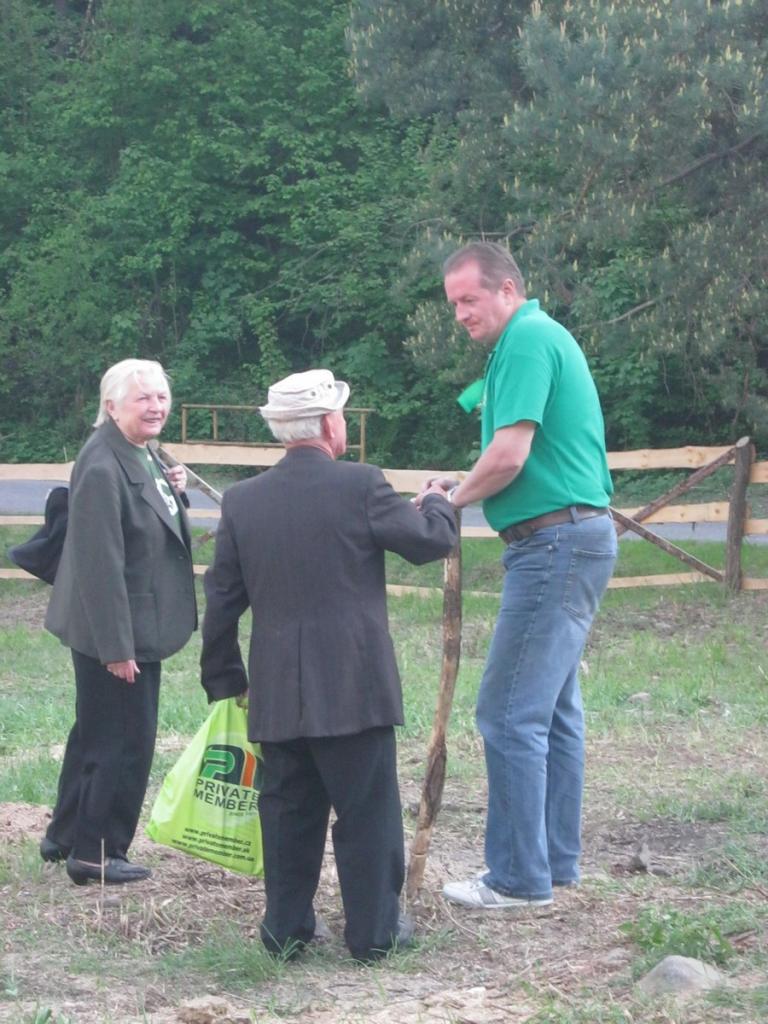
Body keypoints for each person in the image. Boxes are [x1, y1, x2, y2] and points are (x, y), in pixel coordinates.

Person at [200, 369, 457, 962]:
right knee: (367, 812)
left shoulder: (243, 500)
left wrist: (226, 676)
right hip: (352, 685)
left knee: (288, 810)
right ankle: (374, 934)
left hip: (277, 689)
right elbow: (427, 542)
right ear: (329, 425)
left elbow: (222, 599)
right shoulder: (362, 484)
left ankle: (285, 931)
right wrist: (439, 502)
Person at [423, 241, 617, 910]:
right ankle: (554, 864)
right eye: (453, 303)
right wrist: (461, 483)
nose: (460, 314)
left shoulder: (529, 340)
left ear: (507, 289)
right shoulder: (529, 340)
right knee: (553, 712)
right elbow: (517, 461)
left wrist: (450, 501)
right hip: (571, 536)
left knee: (507, 713)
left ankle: (516, 878)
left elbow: (509, 455)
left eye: (469, 299)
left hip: (554, 544)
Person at [41, 358, 197, 885]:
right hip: (119, 629)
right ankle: (96, 851)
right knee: (124, 739)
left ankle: (64, 835)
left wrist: (174, 488)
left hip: (135, 620)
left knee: (95, 730)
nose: (156, 407)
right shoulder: (102, 464)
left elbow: (146, 518)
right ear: (111, 406)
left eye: (161, 397)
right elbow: (99, 564)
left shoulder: (139, 451)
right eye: (142, 398)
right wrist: (116, 648)